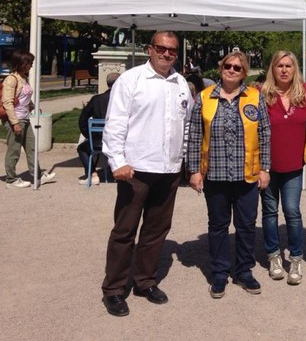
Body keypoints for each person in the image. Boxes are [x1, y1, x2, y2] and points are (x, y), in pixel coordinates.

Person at [100, 31, 192, 317]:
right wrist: (117, 161)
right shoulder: (131, 80)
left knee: (156, 230)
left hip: (168, 169)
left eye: (172, 50)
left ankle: (144, 281)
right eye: (162, 49)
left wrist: (183, 160)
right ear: (149, 49)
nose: (167, 54)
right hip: (136, 169)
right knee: (125, 230)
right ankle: (114, 289)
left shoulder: (181, 84)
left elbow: (185, 126)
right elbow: (115, 123)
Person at [186, 51, 271, 299]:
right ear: (220, 68)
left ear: (244, 73)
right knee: (218, 225)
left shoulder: (255, 97)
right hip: (215, 174)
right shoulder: (204, 97)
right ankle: (220, 273)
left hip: (247, 174)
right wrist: (193, 171)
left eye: (237, 68)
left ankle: (244, 270)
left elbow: (265, 133)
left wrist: (265, 168)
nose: (231, 70)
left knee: (245, 226)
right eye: (227, 66)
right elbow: (194, 136)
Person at [260, 51, 306, 285]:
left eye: (288, 66)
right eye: (279, 65)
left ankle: (296, 258)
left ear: (295, 69)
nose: (284, 70)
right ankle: (273, 256)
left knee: (292, 211)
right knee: (270, 213)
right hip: (267, 165)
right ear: (272, 68)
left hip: (293, 165)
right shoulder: (261, 94)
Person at [2, 49, 56, 188]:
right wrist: (15, 123)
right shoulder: (11, 79)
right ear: (21, 63)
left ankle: (37, 174)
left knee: (31, 148)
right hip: (15, 119)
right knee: (14, 150)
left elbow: (23, 97)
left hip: (25, 118)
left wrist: (31, 106)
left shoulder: (23, 78)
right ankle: (11, 179)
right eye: (29, 62)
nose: (31, 65)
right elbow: (8, 102)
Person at [77, 72, 120, 185]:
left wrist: (88, 135)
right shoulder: (123, 100)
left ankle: (92, 174)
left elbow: (83, 119)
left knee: (82, 148)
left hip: (98, 141)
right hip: (120, 140)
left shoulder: (96, 100)